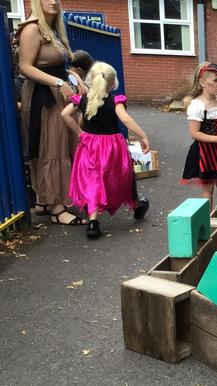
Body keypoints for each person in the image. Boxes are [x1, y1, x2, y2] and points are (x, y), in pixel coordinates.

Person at [61, 62, 150, 238]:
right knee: (122, 178)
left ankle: (93, 222)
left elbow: (65, 114)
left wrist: (80, 133)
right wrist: (143, 136)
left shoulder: (82, 99)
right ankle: (137, 206)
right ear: (112, 83)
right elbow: (125, 119)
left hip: (89, 145)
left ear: (91, 79)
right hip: (112, 147)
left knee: (93, 180)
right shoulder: (115, 101)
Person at [16, 0, 85, 225]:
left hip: (53, 94)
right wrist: (58, 82)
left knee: (55, 147)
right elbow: (25, 67)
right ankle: (57, 209)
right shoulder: (32, 28)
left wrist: (72, 76)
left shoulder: (50, 27)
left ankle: (44, 202)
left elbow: (51, 63)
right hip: (42, 98)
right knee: (52, 148)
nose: (54, 2)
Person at [181, 62, 217, 210]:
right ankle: (207, 220)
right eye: (215, 81)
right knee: (207, 190)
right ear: (202, 83)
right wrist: (216, 138)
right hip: (205, 153)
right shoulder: (197, 106)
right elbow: (194, 133)